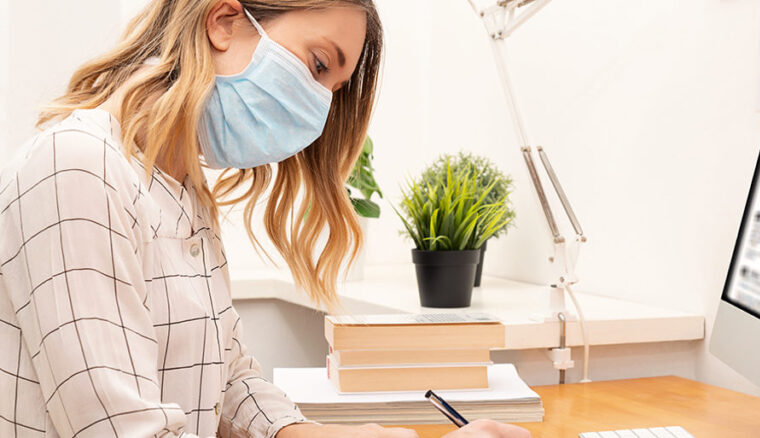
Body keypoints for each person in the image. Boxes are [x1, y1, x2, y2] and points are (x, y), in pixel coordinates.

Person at [0, 1, 531, 437]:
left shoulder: (183, 193)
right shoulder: (76, 167)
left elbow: (228, 381)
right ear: (224, 22)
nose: (319, 107)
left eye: (332, 90)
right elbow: (122, 429)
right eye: (319, 65)